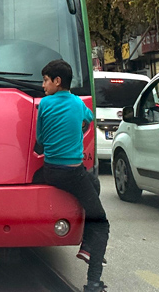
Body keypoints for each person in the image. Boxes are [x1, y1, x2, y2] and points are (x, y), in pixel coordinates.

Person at [36, 59, 108, 292]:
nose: (43, 85)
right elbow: (89, 119)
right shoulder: (77, 104)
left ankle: (87, 246)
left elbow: (40, 140)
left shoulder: (44, 104)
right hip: (71, 174)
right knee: (102, 223)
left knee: (94, 182)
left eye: (46, 80)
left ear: (57, 81)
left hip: (50, 171)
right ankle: (94, 282)